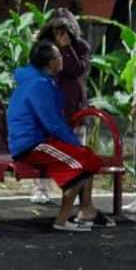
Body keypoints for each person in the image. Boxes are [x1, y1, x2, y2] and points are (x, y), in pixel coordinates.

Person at [8, 40, 110, 232]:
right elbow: (51, 122)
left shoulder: (42, 81)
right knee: (81, 162)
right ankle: (62, 221)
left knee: (86, 155)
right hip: (31, 145)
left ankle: (86, 209)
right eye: (58, 56)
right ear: (51, 63)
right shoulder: (38, 84)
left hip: (40, 142)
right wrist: (73, 143)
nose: (61, 59)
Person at [30, 10, 90, 205]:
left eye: (63, 30)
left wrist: (66, 48)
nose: (59, 34)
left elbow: (75, 70)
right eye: (56, 30)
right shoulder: (44, 48)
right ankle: (41, 188)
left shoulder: (80, 48)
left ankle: (72, 191)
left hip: (75, 109)